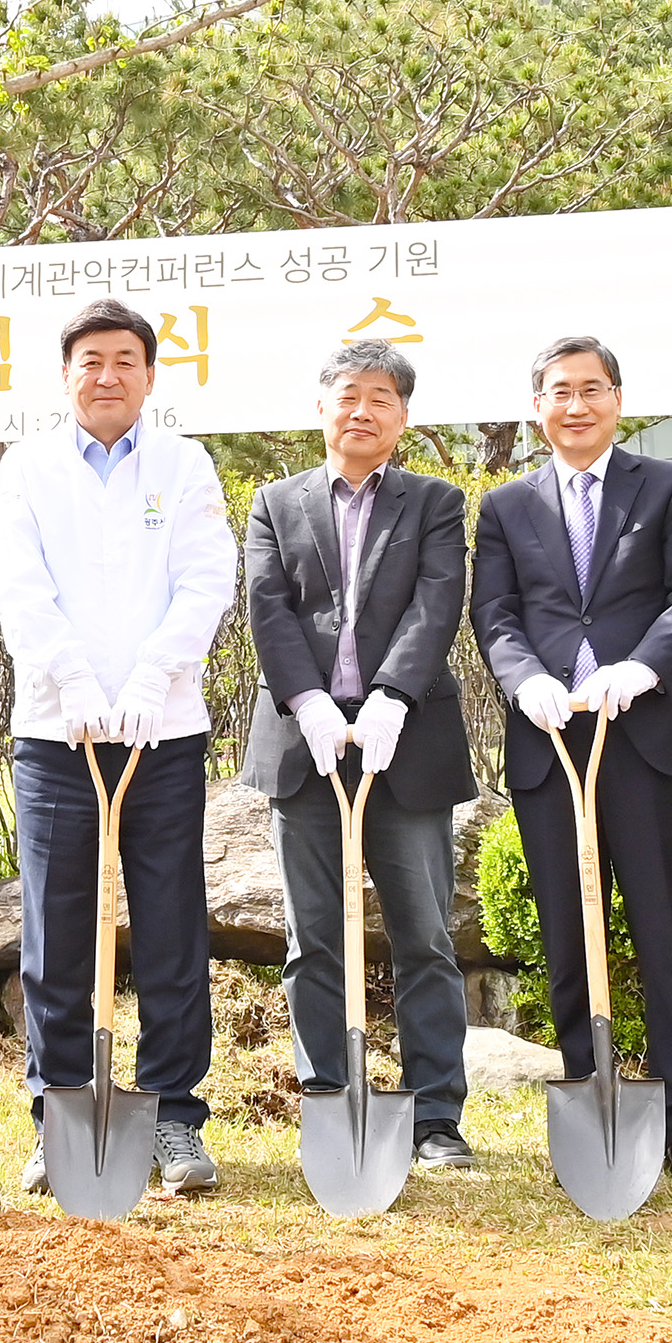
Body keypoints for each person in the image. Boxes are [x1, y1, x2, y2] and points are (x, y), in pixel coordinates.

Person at [473, 334, 672, 1193]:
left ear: (617, 398)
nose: (576, 405)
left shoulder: (667, 486)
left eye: (592, 388)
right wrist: (525, 681)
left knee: (665, 934)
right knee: (568, 939)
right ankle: (595, 1108)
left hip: (647, 735)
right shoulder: (506, 506)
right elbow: (497, 614)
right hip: (551, 743)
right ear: (536, 405)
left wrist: (643, 664)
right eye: (559, 391)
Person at [0, 299, 240, 1198]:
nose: (107, 375)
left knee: (172, 920)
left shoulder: (184, 464)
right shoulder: (28, 466)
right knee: (56, 927)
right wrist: (73, 683)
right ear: (66, 374)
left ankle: (174, 1115)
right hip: (55, 732)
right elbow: (20, 589)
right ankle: (58, 1110)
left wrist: (149, 680)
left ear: (148, 374)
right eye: (90, 360)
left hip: (162, 730)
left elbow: (208, 576)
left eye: (125, 359)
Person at [241, 339, 480, 1174]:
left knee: (425, 936)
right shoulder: (274, 502)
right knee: (314, 939)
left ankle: (435, 1117)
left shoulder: (436, 502)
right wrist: (307, 700)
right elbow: (268, 610)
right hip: (304, 749)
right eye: (348, 395)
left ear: (403, 415)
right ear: (321, 407)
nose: (363, 410)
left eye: (382, 397)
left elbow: (437, 601)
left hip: (403, 745)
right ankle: (327, 1100)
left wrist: (390, 696)